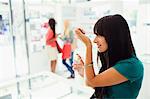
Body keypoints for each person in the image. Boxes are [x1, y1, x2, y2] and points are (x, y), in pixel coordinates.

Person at [73, 14, 144, 99]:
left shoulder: (132, 65)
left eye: (99, 35)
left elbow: (91, 82)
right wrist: (83, 72)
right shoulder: (115, 61)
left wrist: (88, 45)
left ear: (114, 36)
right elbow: (100, 88)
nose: (95, 40)